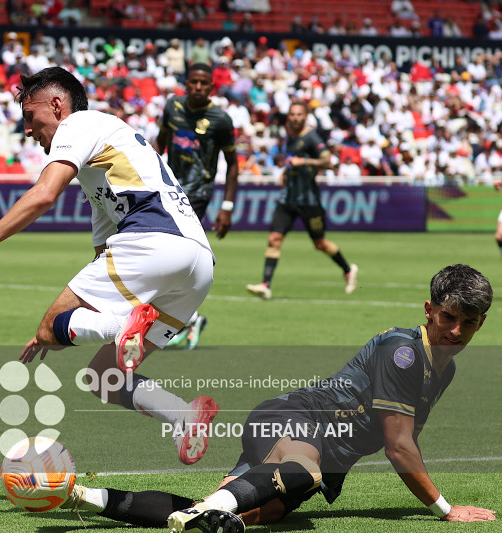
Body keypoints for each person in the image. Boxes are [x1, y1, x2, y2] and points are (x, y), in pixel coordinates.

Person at [62, 264, 497, 531]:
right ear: (429, 310)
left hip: (317, 447)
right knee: (303, 470)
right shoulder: (403, 352)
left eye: (470, 323)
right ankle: (216, 504)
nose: (456, 331)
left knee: (236, 515)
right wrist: (444, 509)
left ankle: (86, 497)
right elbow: (398, 445)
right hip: (295, 419)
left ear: (481, 324)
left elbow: (402, 438)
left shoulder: (445, 367)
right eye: (448, 317)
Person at [0, 67, 220, 465]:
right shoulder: (106, 151)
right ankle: (183, 415)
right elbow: (104, 247)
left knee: (53, 327)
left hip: (152, 242)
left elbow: (44, 194)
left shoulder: (79, 124)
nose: (29, 131)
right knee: (102, 376)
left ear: (56, 104)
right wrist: (73, 327)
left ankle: (123, 327)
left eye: (31, 118)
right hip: (198, 265)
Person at [156, 63, 238, 349]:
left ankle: (182, 317)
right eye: (194, 82)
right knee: (165, 252)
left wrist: (227, 206)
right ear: (186, 83)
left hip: (197, 194)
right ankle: (189, 317)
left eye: (205, 83)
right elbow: (160, 145)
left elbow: (233, 165)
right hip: (168, 189)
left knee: (173, 251)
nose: (199, 87)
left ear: (211, 87)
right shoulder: (172, 107)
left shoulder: (221, 119)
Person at [246, 102, 358, 300]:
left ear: (305, 116)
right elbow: (292, 161)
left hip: (309, 201)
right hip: (288, 199)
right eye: (292, 114)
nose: (295, 118)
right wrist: (287, 173)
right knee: (274, 239)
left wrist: (303, 162)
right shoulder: (290, 137)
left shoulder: (311, 137)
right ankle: (266, 285)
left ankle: (348, 270)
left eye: (299, 114)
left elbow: (327, 161)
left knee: (320, 244)